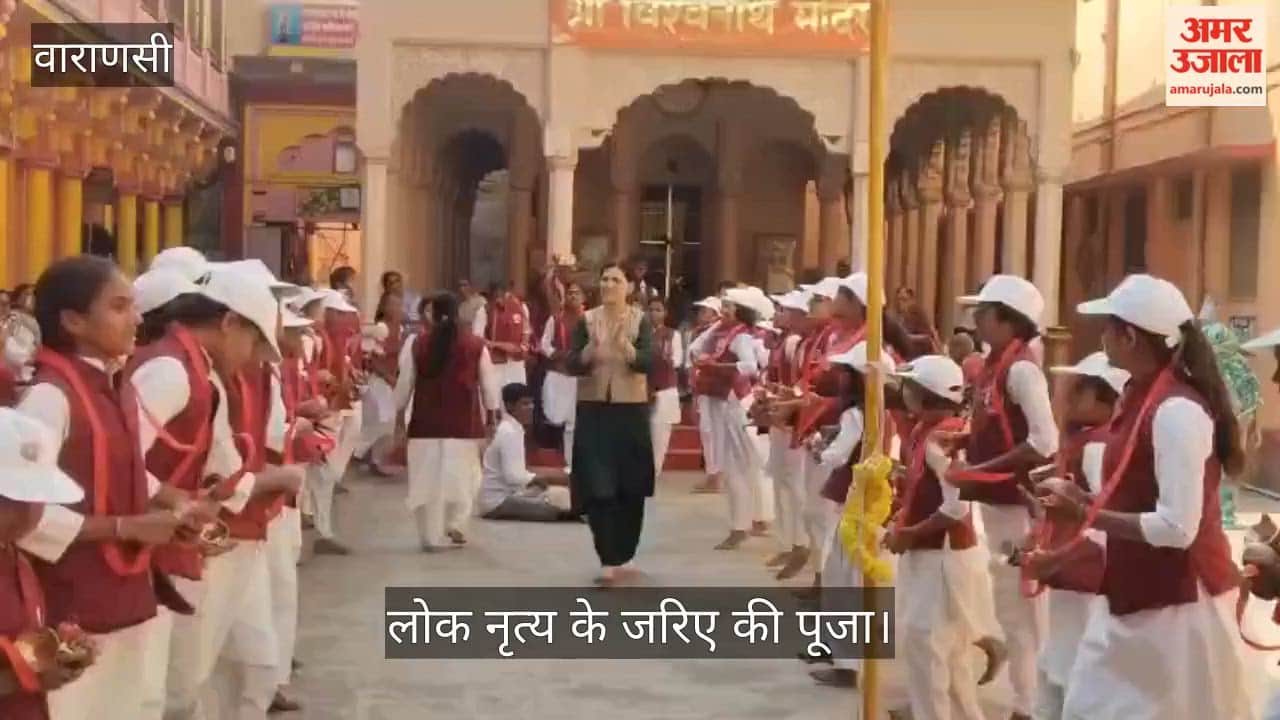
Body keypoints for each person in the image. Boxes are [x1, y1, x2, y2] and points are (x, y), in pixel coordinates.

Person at [1046, 274, 1255, 720]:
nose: (1100, 335)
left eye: (1108, 325)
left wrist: (1085, 512)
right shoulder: (1140, 397)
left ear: (1130, 336)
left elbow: (1178, 528)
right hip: (1136, 595)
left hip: (1178, 605)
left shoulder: (1176, 410)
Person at [14, 257, 205, 720]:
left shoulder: (108, 382)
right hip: (71, 604)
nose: (137, 319)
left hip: (122, 595)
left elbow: (120, 470)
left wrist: (168, 504)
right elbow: (19, 514)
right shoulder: (50, 395)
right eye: (119, 307)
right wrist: (126, 526)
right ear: (73, 321)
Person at [949, 274, 1058, 720]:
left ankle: (1029, 706)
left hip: (1018, 506)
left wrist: (984, 467)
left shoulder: (1022, 370)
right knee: (1011, 606)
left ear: (1007, 320)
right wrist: (965, 446)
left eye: (984, 312)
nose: (976, 319)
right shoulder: (996, 366)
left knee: (1025, 612)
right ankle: (1026, 698)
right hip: (998, 503)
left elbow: (1044, 441)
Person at [885, 355, 1001, 720]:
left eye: (910, 387)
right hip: (931, 555)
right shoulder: (925, 430)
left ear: (926, 393)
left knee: (930, 647)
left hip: (943, 556)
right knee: (944, 654)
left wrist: (909, 534)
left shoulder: (941, 436)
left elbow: (957, 507)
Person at [1024, 351, 1127, 720]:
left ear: (1108, 400)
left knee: (1070, 668)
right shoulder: (1085, 441)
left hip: (1082, 571)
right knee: (1056, 662)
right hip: (1068, 569)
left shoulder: (1099, 446)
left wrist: (1058, 556)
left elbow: (1102, 516)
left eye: (1081, 390)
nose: (1069, 397)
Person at [803, 341, 894, 688]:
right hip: (872, 502)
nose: (840, 378)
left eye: (846, 373)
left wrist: (818, 449)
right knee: (848, 576)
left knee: (844, 579)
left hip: (856, 501)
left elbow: (838, 456)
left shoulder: (857, 414)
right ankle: (842, 651)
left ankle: (848, 660)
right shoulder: (885, 412)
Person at [0, 408, 96, 720]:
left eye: (37, 500)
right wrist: (19, 680)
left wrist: (55, 647)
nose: (28, 515)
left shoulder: (16, 557)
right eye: (12, 501)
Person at [566, 262, 655, 587]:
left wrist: (626, 349)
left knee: (631, 487)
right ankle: (607, 557)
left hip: (630, 410)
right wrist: (590, 351)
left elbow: (649, 360)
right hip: (594, 410)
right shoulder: (587, 321)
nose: (608, 284)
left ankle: (626, 553)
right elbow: (572, 361)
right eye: (604, 279)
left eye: (616, 279)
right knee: (596, 486)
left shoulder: (639, 320)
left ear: (629, 286)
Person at [395, 293, 499, 552]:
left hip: (425, 424)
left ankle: (430, 537)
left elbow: (404, 384)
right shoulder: (475, 345)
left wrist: (398, 417)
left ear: (432, 314)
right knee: (466, 477)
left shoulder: (417, 344)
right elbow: (489, 386)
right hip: (463, 424)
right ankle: (457, 524)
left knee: (426, 480)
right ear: (459, 314)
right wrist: (492, 416)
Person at [689, 286, 772, 551]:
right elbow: (694, 349)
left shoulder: (743, 337)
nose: (722, 311)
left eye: (728, 307)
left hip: (739, 403)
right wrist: (715, 329)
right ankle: (741, 524)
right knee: (735, 466)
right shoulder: (723, 333)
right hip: (728, 404)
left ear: (740, 311)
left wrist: (716, 366)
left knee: (750, 464)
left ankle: (755, 519)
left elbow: (749, 366)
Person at [758, 290, 811, 580]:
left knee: (793, 484)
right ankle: (788, 541)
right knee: (781, 480)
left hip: (792, 419)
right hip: (783, 414)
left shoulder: (794, 343)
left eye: (784, 310)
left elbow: (801, 383)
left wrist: (783, 403)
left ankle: (799, 543)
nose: (778, 313)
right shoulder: (784, 341)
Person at [476, 383, 576, 522]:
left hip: (508, 495)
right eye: (524, 404)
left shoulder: (513, 428)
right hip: (498, 502)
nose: (530, 408)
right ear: (510, 406)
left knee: (556, 496)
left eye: (531, 403)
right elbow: (514, 477)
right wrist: (541, 478)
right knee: (560, 509)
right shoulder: (509, 432)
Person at [358, 290, 405, 475]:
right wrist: (387, 377)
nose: (397, 308)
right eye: (392, 304)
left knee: (387, 420)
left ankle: (375, 459)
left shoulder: (399, 329)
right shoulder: (380, 328)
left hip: (391, 379)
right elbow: (370, 359)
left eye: (398, 304)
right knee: (382, 418)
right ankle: (361, 453)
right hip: (378, 379)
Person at [540, 281, 585, 470]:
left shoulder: (589, 320)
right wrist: (557, 355)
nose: (573, 296)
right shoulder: (555, 319)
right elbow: (544, 344)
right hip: (558, 374)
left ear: (583, 298)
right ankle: (556, 455)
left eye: (577, 293)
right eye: (570, 293)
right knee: (555, 416)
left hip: (579, 376)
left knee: (573, 422)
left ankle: (571, 462)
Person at [688, 297, 724, 494]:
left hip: (712, 385)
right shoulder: (701, 331)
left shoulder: (716, 329)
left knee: (711, 432)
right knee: (707, 431)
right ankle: (713, 473)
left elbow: (696, 352)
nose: (701, 314)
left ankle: (716, 475)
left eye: (705, 310)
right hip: (701, 383)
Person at [646, 296, 685, 478]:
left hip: (665, 388)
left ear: (665, 313)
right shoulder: (640, 333)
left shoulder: (673, 334)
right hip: (642, 388)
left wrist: (661, 357)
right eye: (651, 309)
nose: (654, 313)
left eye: (658, 309)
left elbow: (677, 360)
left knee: (660, 434)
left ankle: (654, 471)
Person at [475, 283, 532, 388]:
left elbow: (527, 331)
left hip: (516, 364)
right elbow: (477, 338)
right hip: (495, 364)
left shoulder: (521, 307)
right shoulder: (484, 310)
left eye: (505, 296)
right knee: (497, 399)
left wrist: (521, 347)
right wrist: (494, 345)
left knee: (516, 397)